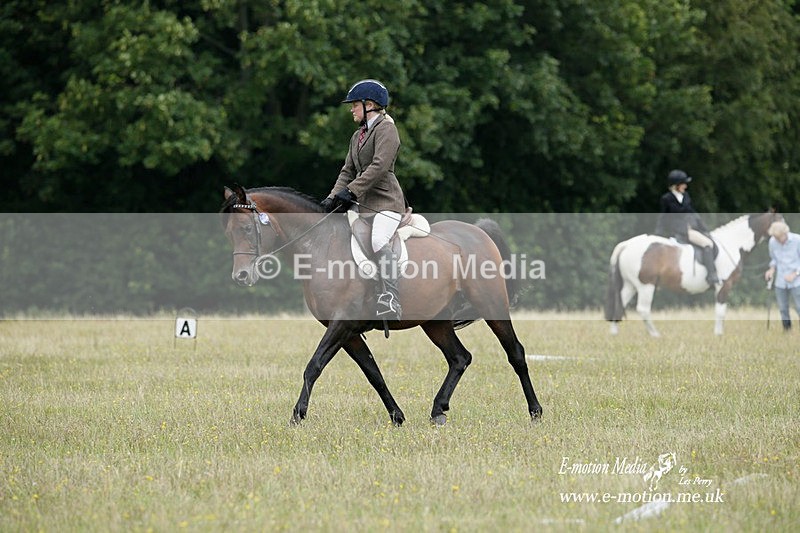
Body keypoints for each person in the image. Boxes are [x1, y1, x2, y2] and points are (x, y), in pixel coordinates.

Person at [320, 79, 406, 321]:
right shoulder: (358, 135)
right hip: (363, 203)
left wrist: (352, 192)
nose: (351, 109)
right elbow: (347, 171)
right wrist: (331, 199)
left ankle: (391, 297)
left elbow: (379, 166)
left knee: (379, 239)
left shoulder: (387, 129)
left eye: (355, 105)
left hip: (387, 202)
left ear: (370, 105)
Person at [654, 169, 719, 285]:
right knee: (707, 244)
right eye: (683, 184)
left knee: (709, 240)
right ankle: (711, 275)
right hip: (681, 231)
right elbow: (663, 217)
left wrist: (704, 228)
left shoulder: (686, 196)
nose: (685, 186)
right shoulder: (667, 199)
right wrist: (658, 233)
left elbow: (693, 213)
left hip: (692, 228)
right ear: (676, 185)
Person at [764, 221, 800, 331]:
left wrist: (795, 274)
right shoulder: (772, 242)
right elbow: (774, 259)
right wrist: (771, 270)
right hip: (780, 281)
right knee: (783, 308)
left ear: (785, 232)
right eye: (776, 238)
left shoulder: (797, 240)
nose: (779, 240)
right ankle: (787, 330)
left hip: (797, 281)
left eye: (780, 237)